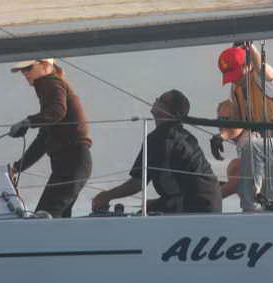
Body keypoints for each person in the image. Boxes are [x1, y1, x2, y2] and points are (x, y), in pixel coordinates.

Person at [210, 43, 273, 211]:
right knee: (263, 163)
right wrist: (221, 137)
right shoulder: (236, 89)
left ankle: (250, 206)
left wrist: (252, 47)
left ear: (247, 65)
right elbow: (237, 123)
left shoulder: (263, 80)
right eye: (230, 77)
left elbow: (261, 68)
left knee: (253, 148)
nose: (234, 80)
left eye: (236, 74)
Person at [92, 90, 220, 214]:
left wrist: (105, 196)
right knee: (149, 208)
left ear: (167, 111)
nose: (155, 100)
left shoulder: (159, 138)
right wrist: (157, 203)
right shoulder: (185, 136)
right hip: (210, 204)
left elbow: (137, 183)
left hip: (193, 207)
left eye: (160, 99)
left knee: (142, 215)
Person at [7, 59, 92, 218]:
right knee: (55, 219)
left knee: (43, 217)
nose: (24, 73)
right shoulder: (51, 84)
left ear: (46, 65)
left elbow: (57, 111)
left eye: (28, 68)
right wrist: (17, 167)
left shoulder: (49, 82)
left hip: (71, 161)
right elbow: (43, 140)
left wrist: (28, 122)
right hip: (73, 163)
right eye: (22, 70)